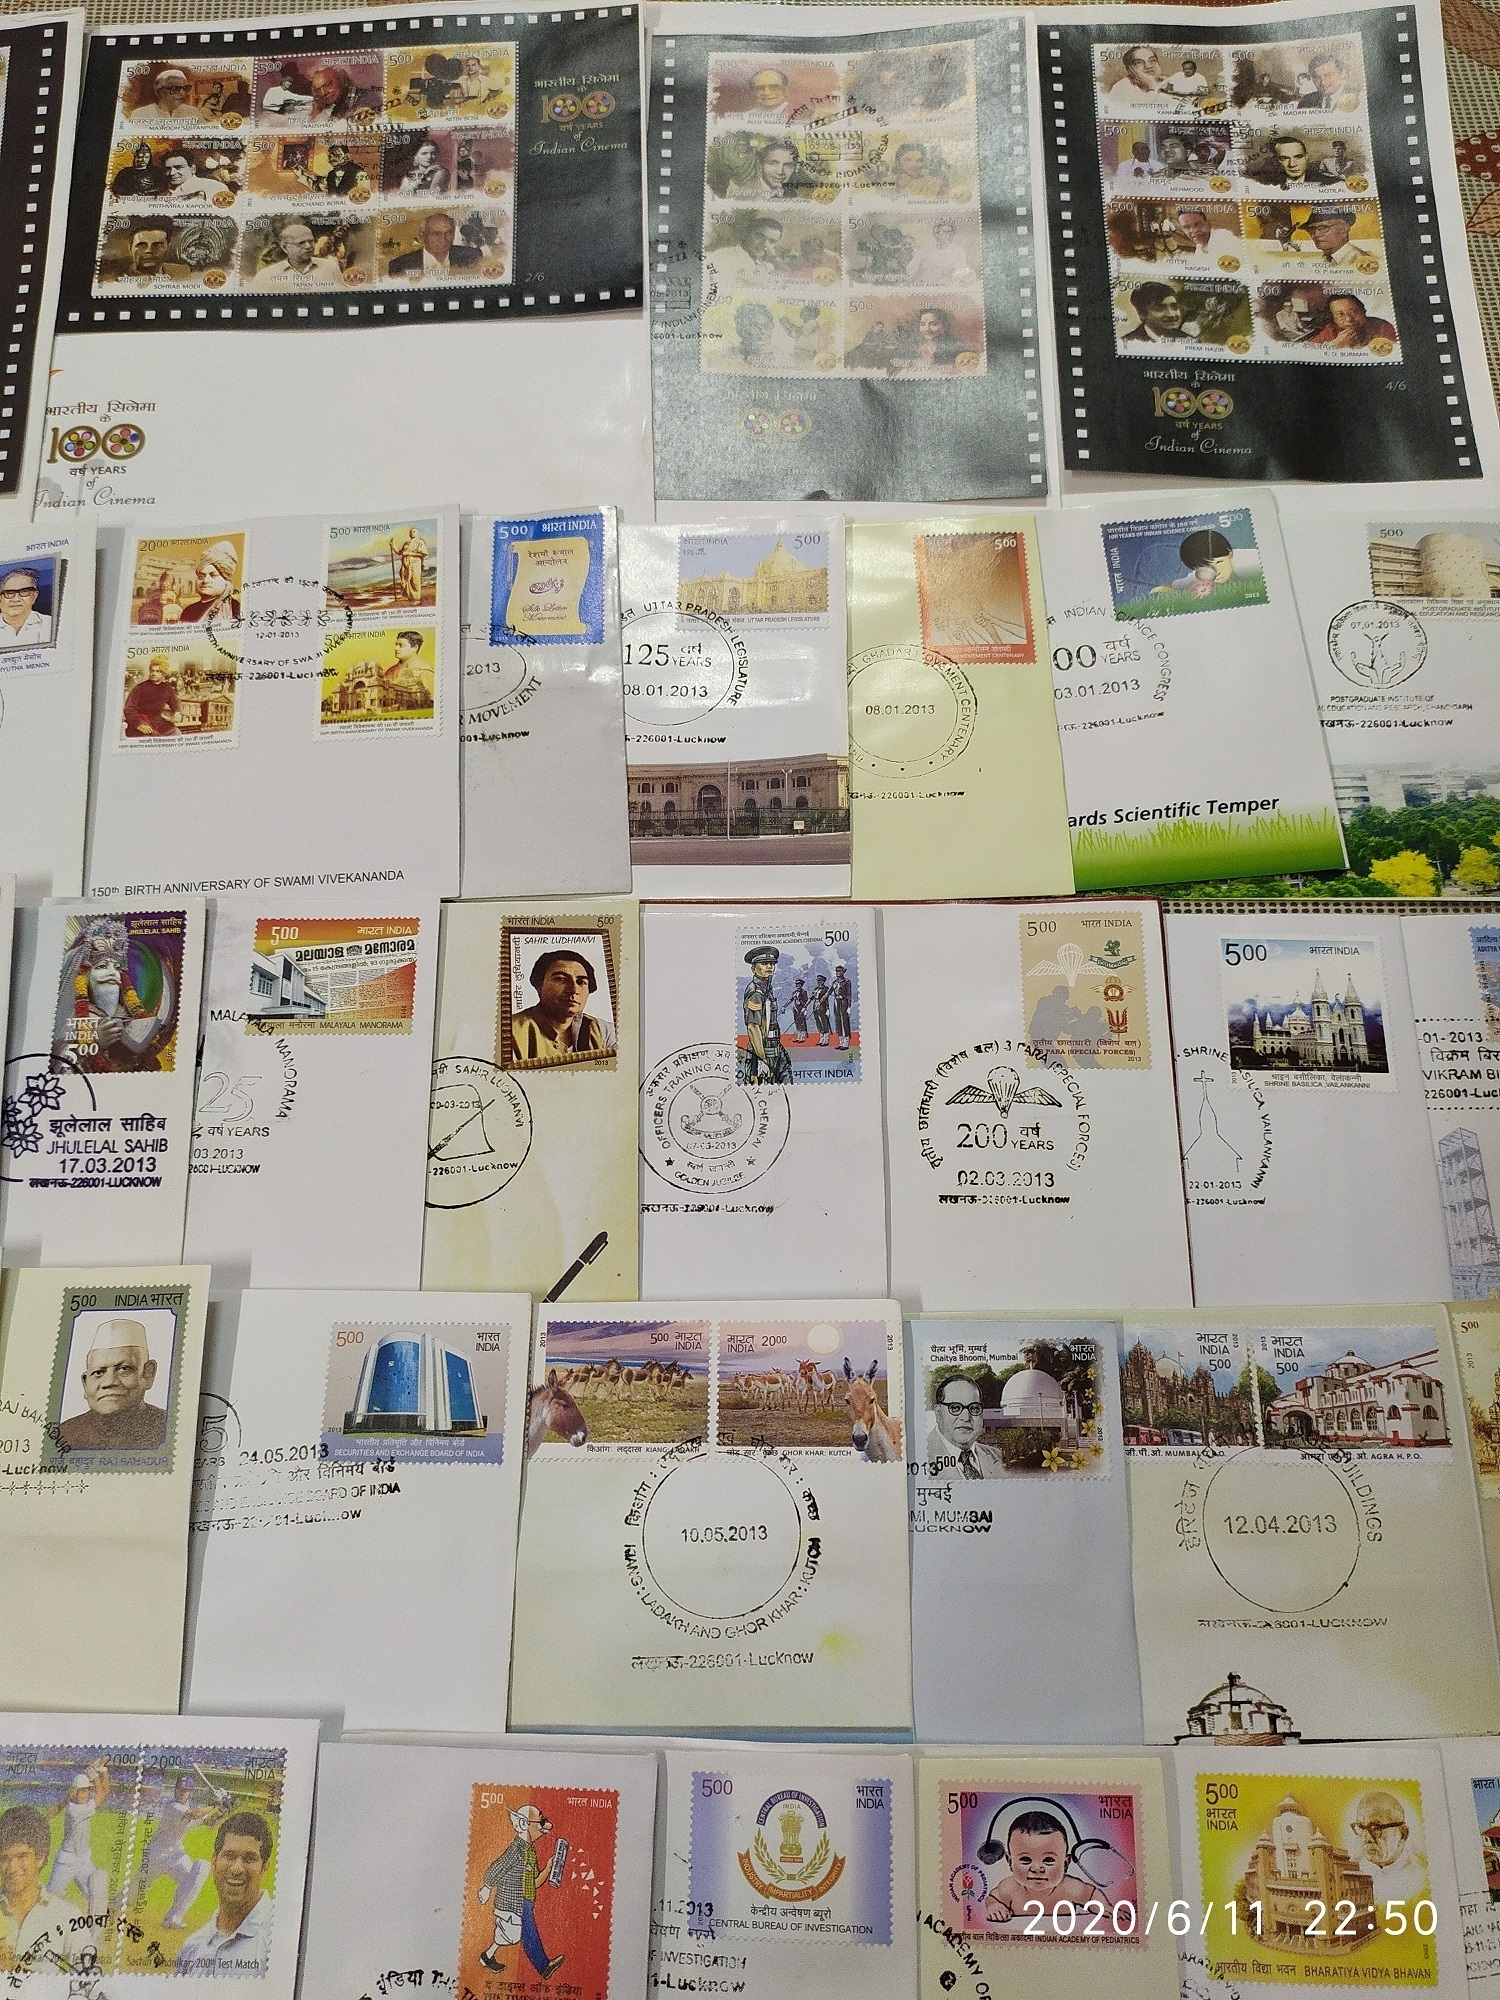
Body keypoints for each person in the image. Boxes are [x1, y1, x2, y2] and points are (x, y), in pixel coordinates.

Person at [175, 1814, 275, 1972]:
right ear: (214, 1863)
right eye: (229, 1856)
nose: (236, 1868)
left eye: (249, 1858)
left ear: (264, 1869)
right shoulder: (191, 1946)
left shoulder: (277, 1941)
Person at [476, 1802, 565, 1979]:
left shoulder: (529, 1852)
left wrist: (549, 1868)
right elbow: (497, 1867)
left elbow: (535, 1882)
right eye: (542, 1821)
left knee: (510, 1934)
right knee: (525, 1932)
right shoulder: (516, 1849)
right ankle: (544, 1967)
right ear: (525, 1824)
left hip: (524, 1902)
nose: (547, 1825)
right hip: (512, 1902)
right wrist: (487, 1887)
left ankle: (487, 1956)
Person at [58, 1318, 169, 1451]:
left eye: (124, 1369)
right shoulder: (64, 1435)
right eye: (98, 1372)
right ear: (85, 1383)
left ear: (148, 1374)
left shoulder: (170, 1427)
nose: (109, 1382)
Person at [129, 1774, 223, 1930]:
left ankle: (173, 1918)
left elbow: (209, 1822)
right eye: (180, 1789)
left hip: (175, 1856)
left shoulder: (190, 1807)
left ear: (190, 1792)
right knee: (132, 1896)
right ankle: (112, 1905)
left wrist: (223, 1809)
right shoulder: (172, 1806)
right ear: (175, 1790)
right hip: (156, 1856)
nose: (181, 1792)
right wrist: (215, 1804)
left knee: (197, 1874)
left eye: (185, 1790)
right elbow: (193, 1814)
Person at [984, 1812, 1104, 1925]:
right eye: (1025, 1859)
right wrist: (994, 1906)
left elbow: (1092, 1895)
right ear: (1010, 1861)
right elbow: (992, 1899)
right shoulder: (1009, 1888)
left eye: (1048, 1860)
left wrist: (1103, 1906)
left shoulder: (1070, 1888)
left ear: (1065, 1863)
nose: (1037, 1868)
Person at [511, 949, 615, 1062]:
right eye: (561, 979)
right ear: (539, 986)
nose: (574, 990)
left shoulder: (604, 1031)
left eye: (581, 982)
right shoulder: (511, 1032)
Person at [0, 1805, 70, 1971]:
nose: (12, 1868)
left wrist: (15, 1969)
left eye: (22, 1856)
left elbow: (89, 1979)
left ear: (40, 1858)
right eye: (4, 1858)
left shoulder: (67, 1915)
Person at [46, 1766, 109, 1920]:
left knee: (96, 1895)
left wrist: (104, 1772)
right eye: (82, 1791)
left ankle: (95, 1932)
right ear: (74, 1792)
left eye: (87, 1791)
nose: (85, 1795)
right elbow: (101, 1795)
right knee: (48, 1899)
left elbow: (104, 1791)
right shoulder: (75, 1811)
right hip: (67, 1861)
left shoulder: (76, 1804)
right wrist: (96, 1776)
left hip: (83, 1859)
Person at [1349, 1793, 1427, 1901]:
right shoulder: (1357, 1871)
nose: (1366, 1838)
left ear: (1403, 1834)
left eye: (1376, 1828)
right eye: (1361, 1827)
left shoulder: (1420, 1878)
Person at [926, 1376, 1003, 1477]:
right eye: (955, 1408)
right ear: (938, 1413)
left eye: (974, 1408)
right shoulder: (919, 1456)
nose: (966, 1417)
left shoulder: (998, 1456)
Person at [738, 946, 793, 1084]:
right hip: (764, 1050)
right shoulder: (756, 992)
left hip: (775, 1047)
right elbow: (753, 1027)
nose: (769, 967)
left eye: (772, 964)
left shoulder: (766, 988)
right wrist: (762, 1059)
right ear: (753, 968)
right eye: (764, 963)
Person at [252, 216, 343, 289]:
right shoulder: (265, 276)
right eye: (301, 243)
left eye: (311, 241)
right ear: (285, 247)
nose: (308, 246)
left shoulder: (331, 268)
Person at [387, 212, 480, 278]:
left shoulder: (473, 256)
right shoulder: (399, 265)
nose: (443, 239)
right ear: (422, 235)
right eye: (436, 234)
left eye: (449, 233)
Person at [710, 214, 785, 285]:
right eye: (760, 237)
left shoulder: (768, 266)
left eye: (772, 241)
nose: (765, 244)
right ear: (746, 234)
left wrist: (774, 259)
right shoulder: (724, 256)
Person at [177, 540, 240, 623]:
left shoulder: (235, 609)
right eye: (201, 577)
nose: (205, 580)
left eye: (213, 575)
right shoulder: (188, 611)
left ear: (226, 580)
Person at [1309, 292, 1397, 348]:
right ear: (1334, 319)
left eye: (1354, 312)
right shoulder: (1331, 329)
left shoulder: (1382, 327)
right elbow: (1307, 348)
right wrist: (1334, 344)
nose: (1349, 319)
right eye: (1340, 315)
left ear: (1363, 311)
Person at [124, 656, 183, 737]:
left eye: (157, 671)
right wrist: (139, 724)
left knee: (176, 733)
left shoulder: (167, 688)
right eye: (152, 671)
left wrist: (177, 713)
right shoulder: (139, 688)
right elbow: (128, 709)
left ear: (163, 673)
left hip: (158, 722)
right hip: (141, 721)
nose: (154, 673)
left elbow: (175, 702)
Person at [1306, 208, 1381, 270]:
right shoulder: (1321, 260)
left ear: (1343, 230)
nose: (1316, 235)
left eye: (1323, 228)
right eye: (1311, 229)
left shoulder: (1363, 261)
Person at [129, 67, 204, 125]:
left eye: (185, 88)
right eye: (174, 88)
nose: (182, 93)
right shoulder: (141, 114)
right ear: (159, 92)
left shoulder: (193, 112)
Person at [1123, 280, 1194, 341]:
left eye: (1175, 307)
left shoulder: (1191, 340)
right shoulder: (1128, 341)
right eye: (1160, 308)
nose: (1171, 314)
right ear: (1142, 313)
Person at [0, 567, 50, 647]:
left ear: (34, 595)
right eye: (10, 593)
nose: (16, 599)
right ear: (1, 598)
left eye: (24, 591)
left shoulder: (50, 624)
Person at [1105, 44, 1171, 104]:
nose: (1148, 66)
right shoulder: (1122, 87)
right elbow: (1140, 111)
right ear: (1130, 69)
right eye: (1139, 62)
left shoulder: (1170, 82)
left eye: (1152, 60)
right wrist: (1152, 88)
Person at [908, 217, 968, 282]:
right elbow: (911, 270)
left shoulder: (959, 252)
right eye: (944, 232)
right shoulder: (925, 251)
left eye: (950, 232)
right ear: (936, 234)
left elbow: (960, 275)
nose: (948, 235)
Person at [123, 224, 189, 282]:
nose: (149, 250)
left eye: (157, 245)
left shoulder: (183, 272)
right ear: (130, 248)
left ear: (168, 248)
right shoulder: (119, 278)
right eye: (141, 245)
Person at [1175, 205, 1239, 265]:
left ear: (1208, 224)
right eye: (1186, 227)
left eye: (1198, 225)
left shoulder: (1224, 237)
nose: (1194, 230)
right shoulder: (1200, 247)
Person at [908, 305, 964, 370]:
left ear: (944, 326)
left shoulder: (956, 348)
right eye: (922, 324)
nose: (927, 329)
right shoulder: (920, 350)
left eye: (933, 324)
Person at [160, 150, 224, 200]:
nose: (172, 173)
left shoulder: (214, 187)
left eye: (179, 167)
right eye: (168, 169)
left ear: (193, 169)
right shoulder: (162, 195)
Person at [392, 526, 429, 603]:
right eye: (411, 532)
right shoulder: (406, 543)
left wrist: (409, 553)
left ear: (417, 533)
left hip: (415, 563)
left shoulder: (420, 542)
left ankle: (416, 599)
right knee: (405, 580)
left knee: (415, 580)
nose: (412, 533)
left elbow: (423, 554)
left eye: (414, 531)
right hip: (405, 564)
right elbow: (400, 553)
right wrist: (393, 546)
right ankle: (408, 596)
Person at [830, 965, 853, 1050]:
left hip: (844, 1002)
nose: (837, 973)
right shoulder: (834, 982)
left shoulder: (847, 982)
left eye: (839, 971)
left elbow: (849, 994)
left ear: (843, 972)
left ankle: (846, 1043)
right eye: (836, 971)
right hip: (836, 1002)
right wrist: (822, 999)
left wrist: (849, 1007)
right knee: (838, 1021)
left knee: (845, 1022)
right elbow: (829, 992)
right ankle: (840, 1042)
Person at [790, 977, 811, 1042]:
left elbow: (806, 1001)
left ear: (801, 985)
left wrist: (805, 1008)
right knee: (797, 1022)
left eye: (799, 984)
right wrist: (784, 1006)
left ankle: (803, 1037)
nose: (797, 985)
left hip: (801, 1008)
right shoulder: (794, 992)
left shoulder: (804, 992)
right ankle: (799, 1036)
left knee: (802, 1022)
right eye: (797, 984)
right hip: (795, 1008)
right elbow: (791, 1000)